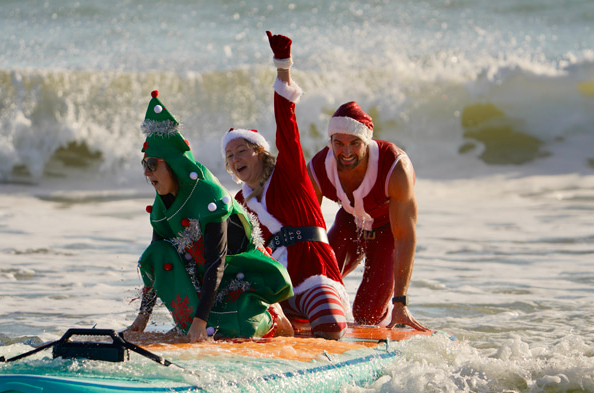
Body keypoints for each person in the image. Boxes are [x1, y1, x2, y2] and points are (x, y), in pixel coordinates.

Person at [126, 90, 294, 343]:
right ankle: (192, 323)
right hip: (202, 277)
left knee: (238, 329)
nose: (147, 173)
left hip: (240, 271)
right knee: (158, 253)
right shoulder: (162, 207)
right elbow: (153, 266)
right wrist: (141, 321)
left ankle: (273, 314)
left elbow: (217, 262)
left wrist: (199, 322)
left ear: (173, 163)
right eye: (144, 165)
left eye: (152, 164)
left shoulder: (208, 195)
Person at [222, 32, 350, 340]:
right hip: (275, 283)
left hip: (314, 269)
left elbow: (286, 124)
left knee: (331, 325)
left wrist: (283, 67)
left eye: (242, 150)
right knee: (246, 328)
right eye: (229, 155)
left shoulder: (287, 173)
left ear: (260, 152)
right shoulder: (238, 201)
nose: (236, 158)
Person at [307, 102, 428, 331]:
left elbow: (405, 237)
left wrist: (400, 303)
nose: (347, 152)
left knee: (366, 314)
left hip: (387, 231)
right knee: (317, 280)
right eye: (339, 144)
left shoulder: (394, 167)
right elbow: (306, 229)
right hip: (349, 224)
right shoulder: (318, 168)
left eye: (355, 143)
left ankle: (389, 324)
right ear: (330, 142)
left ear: (367, 141)